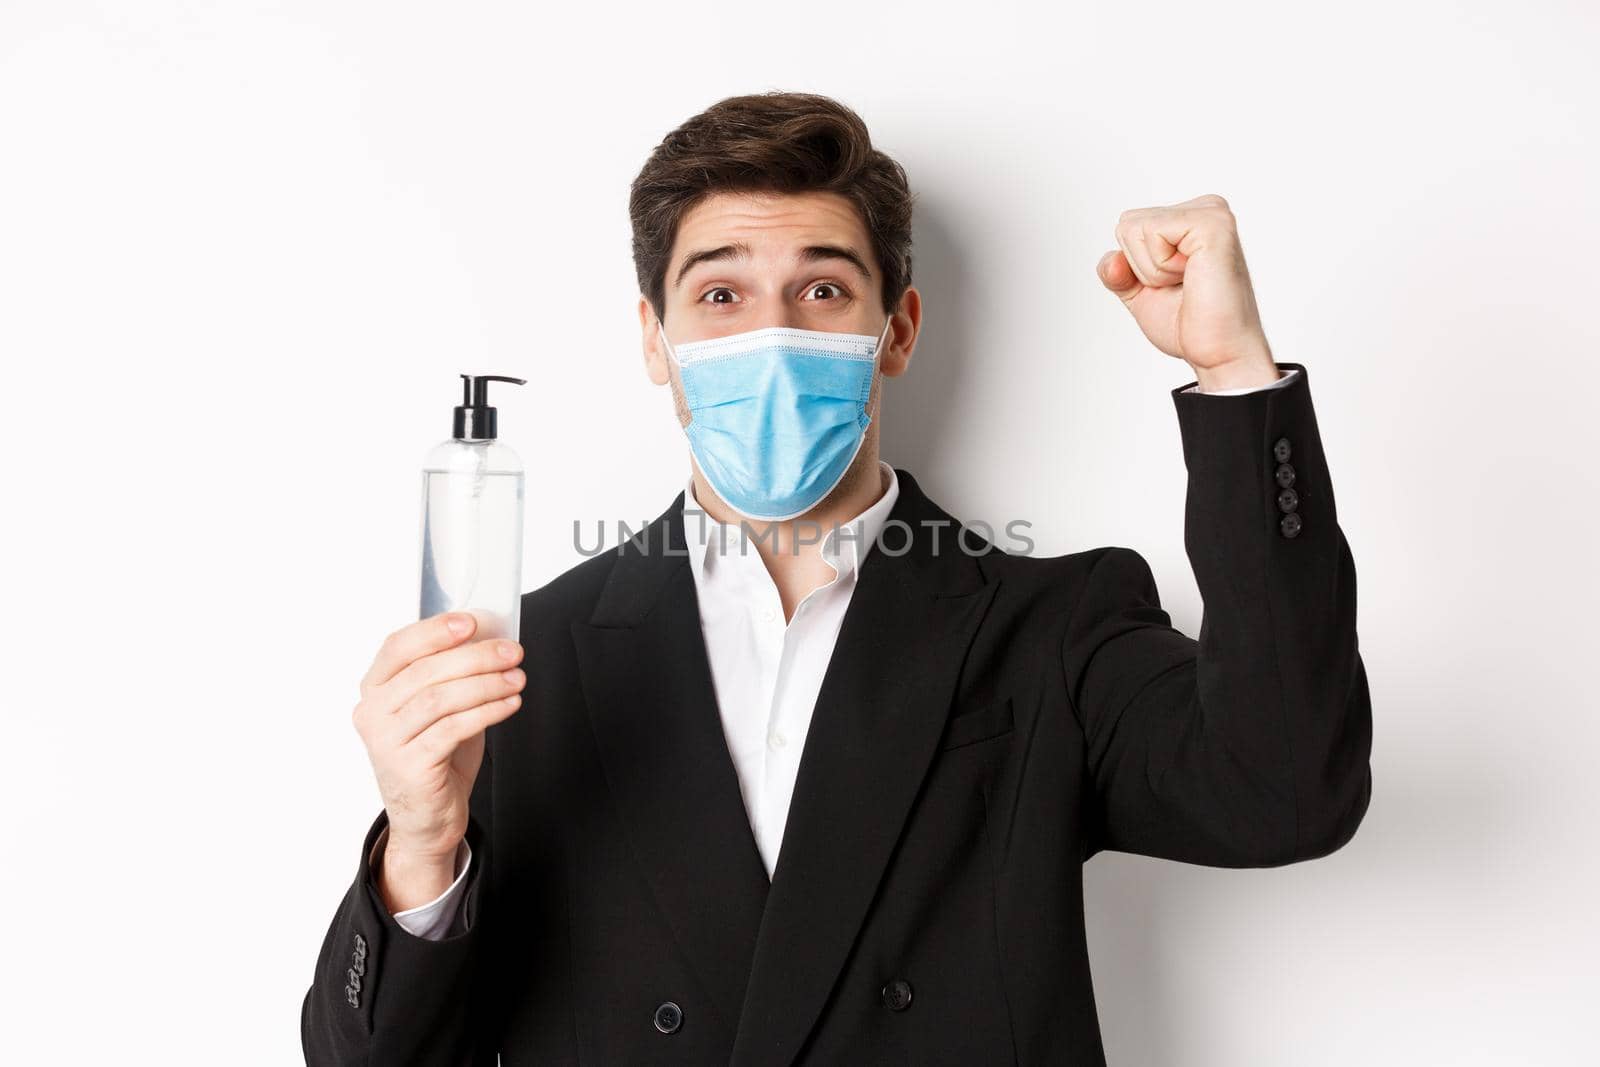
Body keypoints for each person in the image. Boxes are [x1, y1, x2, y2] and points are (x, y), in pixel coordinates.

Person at [301, 91, 1372, 1066]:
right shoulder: (519, 660)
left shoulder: (1048, 626)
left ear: (894, 331)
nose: (771, 335)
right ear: (656, 340)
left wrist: (1233, 374)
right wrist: (424, 839)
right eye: (720, 293)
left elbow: (1282, 794)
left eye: (821, 287)